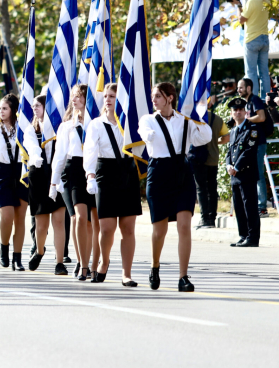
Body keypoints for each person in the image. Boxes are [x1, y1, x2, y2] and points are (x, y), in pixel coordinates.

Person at [139, 82, 211, 292]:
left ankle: (183, 276)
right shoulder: (148, 120)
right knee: (159, 231)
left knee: (184, 226)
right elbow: (145, 134)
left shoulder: (185, 120)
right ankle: (155, 266)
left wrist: (200, 119)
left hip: (182, 172)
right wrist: (149, 135)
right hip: (159, 173)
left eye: (158, 96)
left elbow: (204, 137)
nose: (154, 100)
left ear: (170, 97)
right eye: (153, 97)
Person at [83, 83, 142, 286]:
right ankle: (104, 261)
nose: (108, 99)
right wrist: (90, 175)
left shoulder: (131, 124)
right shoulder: (96, 124)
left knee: (128, 227)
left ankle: (127, 274)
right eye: (106, 96)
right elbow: (90, 150)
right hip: (105, 173)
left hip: (128, 172)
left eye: (113, 96)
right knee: (107, 228)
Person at [51, 84, 98, 281]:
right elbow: (60, 156)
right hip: (74, 170)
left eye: (79, 96)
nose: (75, 99)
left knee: (91, 222)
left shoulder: (95, 123)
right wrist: (53, 183)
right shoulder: (66, 126)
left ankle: (90, 262)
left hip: (93, 168)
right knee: (79, 217)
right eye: (73, 96)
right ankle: (82, 263)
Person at [0, 93, 31, 271]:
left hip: (20, 172)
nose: (1, 111)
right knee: (7, 216)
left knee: (20, 218)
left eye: (5, 108)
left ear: (13, 110)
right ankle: (4, 247)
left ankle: (17, 258)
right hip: (2, 172)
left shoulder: (23, 127)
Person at [24, 95, 68, 275]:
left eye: (39, 105)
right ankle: (40, 250)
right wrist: (36, 157)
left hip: (56, 173)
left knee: (59, 221)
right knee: (41, 225)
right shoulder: (30, 130)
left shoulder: (60, 129)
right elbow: (32, 147)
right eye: (34, 105)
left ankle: (59, 262)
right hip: (39, 174)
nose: (35, 108)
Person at [225, 97, 261, 247]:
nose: (238, 112)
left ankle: (252, 238)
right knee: (239, 207)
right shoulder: (233, 131)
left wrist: (236, 167)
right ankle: (243, 235)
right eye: (235, 110)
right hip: (235, 175)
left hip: (246, 173)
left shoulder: (252, 129)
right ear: (232, 113)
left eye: (240, 110)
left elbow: (249, 151)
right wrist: (228, 165)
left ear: (245, 112)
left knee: (250, 206)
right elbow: (229, 151)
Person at [190, 97, 229, 229]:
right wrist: (214, 142)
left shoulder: (193, 119)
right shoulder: (217, 119)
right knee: (212, 188)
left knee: (201, 188)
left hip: (198, 158)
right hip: (213, 158)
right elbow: (227, 137)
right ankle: (212, 217)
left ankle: (204, 218)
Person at [229, 0, 270, 99]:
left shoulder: (251, 2)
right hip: (264, 40)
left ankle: (253, 100)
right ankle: (266, 100)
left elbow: (241, 19)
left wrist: (237, 5)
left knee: (251, 72)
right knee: (264, 73)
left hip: (252, 40)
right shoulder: (267, 0)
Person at [237, 77, 271, 215]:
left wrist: (245, 120)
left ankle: (262, 207)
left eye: (241, 87)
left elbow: (261, 117)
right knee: (251, 174)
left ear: (249, 88)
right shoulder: (246, 103)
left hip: (258, 143)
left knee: (258, 174)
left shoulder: (255, 100)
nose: (238, 90)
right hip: (250, 143)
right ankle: (256, 204)